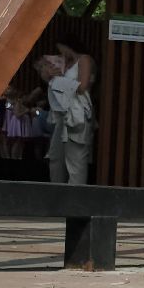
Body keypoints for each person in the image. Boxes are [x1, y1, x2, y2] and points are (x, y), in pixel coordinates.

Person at [38, 42, 96, 184]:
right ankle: (58, 193)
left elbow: (82, 87)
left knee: (75, 160)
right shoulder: (64, 64)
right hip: (61, 115)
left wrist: (57, 81)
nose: (62, 53)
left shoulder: (84, 59)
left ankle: (75, 198)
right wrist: (49, 76)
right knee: (56, 158)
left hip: (77, 115)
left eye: (62, 49)